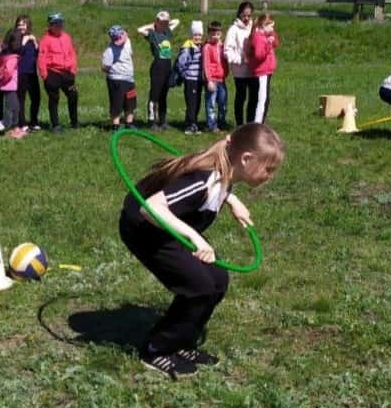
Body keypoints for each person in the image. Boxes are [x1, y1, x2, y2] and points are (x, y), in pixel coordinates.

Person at [119, 122, 285, 379]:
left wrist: (232, 200)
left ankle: (182, 341)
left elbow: (220, 186)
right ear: (246, 159)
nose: (270, 176)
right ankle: (156, 348)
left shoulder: (225, 171)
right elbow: (150, 208)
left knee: (218, 280)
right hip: (143, 228)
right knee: (199, 286)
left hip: (166, 226)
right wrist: (196, 238)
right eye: (268, 168)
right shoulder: (204, 180)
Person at [137, 10, 180, 131]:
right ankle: (152, 121)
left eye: (165, 23)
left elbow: (177, 21)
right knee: (154, 95)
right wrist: (153, 25)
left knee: (163, 95)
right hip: (157, 66)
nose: (164, 24)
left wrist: (167, 22)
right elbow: (140, 29)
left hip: (167, 66)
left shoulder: (167, 33)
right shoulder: (152, 35)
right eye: (161, 22)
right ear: (157, 22)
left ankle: (163, 121)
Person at [37, 13, 78, 133]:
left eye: (60, 23)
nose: (58, 26)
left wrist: (73, 69)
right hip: (53, 73)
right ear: (50, 25)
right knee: (54, 99)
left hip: (67, 72)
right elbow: (41, 58)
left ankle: (74, 121)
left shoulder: (66, 37)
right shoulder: (46, 40)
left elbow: (72, 53)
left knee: (73, 95)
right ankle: (55, 124)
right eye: (55, 24)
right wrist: (45, 75)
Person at [223, 1, 258, 126]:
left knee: (254, 98)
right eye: (244, 15)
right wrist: (241, 59)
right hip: (240, 72)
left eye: (249, 15)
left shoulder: (254, 27)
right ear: (239, 14)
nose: (247, 18)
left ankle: (250, 124)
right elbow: (227, 51)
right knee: (241, 97)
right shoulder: (233, 29)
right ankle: (239, 125)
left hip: (254, 71)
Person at [101, 24, 136, 131]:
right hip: (117, 80)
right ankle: (115, 126)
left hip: (129, 79)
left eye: (120, 37)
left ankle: (129, 123)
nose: (119, 40)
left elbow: (126, 35)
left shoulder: (127, 41)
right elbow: (105, 67)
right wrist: (114, 72)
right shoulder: (109, 51)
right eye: (116, 38)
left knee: (131, 102)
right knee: (117, 103)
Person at [0, 30, 27, 137]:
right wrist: (5, 78)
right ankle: (7, 127)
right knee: (11, 107)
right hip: (9, 87)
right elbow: (8, 72)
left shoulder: (6, 54)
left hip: (10, 86)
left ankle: (14, 126)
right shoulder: (12, 58)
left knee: (15, 106)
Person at [247, 13, 279, 124]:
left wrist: (271, 37)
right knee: (262, 99)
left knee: (264, 98)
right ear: (263, 26)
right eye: (270, 26)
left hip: (267, 71)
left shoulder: (264, 36)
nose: (272, 29)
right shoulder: (259, 38)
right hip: (262, 72)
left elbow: (276, 43)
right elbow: (259, 55)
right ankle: (257, 122)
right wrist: (268, 45)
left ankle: (260, 121)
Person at [175, 20, 205, 135]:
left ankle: (194, 122)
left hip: (199, 80)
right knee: (191, 103)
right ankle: (189, 125)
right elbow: (181, 63)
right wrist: (184, 74)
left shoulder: (201, 46)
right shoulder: (188, 47)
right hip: (190, 79)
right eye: (195, 35)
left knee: (197, 102)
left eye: (199, 35)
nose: (197, 37)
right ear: (191, 35)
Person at [14, 14, 41, 131]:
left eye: (23, 24)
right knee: (21, 98)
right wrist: (23, 43)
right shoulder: (15, 38)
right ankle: (22, 122)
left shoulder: (31, 38)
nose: (21, 27)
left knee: (36, 97)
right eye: (19, 25)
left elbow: (38, 54)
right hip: (20, 73)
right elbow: (15, 53)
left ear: (28, 25)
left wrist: (35, 43)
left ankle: (33, 121)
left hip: (32, 73)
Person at [202, 20, 229, 133]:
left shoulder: (222, 47)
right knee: (211, 103)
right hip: (212, 79)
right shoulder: (207, 47)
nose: (215, 37)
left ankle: (221, 121)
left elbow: (225, 61)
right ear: (208, 34)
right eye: (213, 34)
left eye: (218, 34)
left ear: (221, 34)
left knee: (223, 102)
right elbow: (206, 64)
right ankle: (211, 125)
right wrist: (209, 81)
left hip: (221, 79)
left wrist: (226, 73)